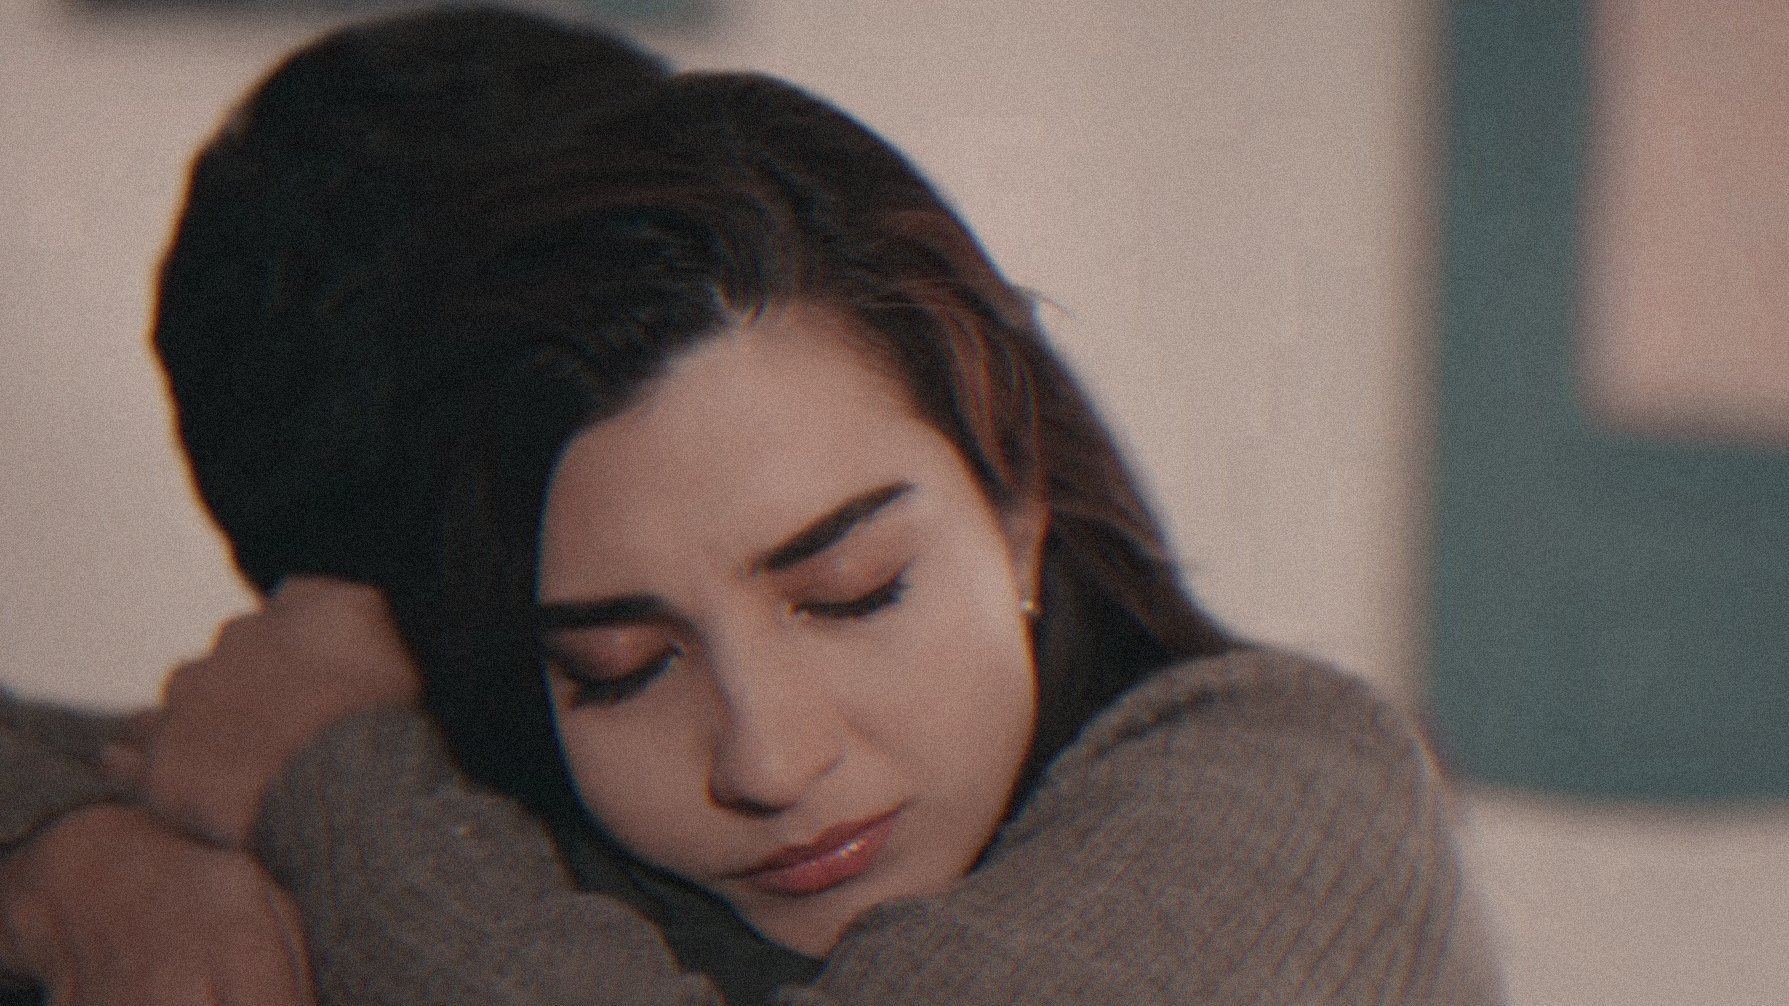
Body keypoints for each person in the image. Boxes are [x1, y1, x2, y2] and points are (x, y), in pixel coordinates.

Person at [3, 7, 1504, 1004]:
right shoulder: (529, 836)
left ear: (1018, 497)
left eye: (851, 589)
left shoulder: (1296, 793)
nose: (771, 761)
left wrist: (332, 786)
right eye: (616, 666)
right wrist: (78, 866)